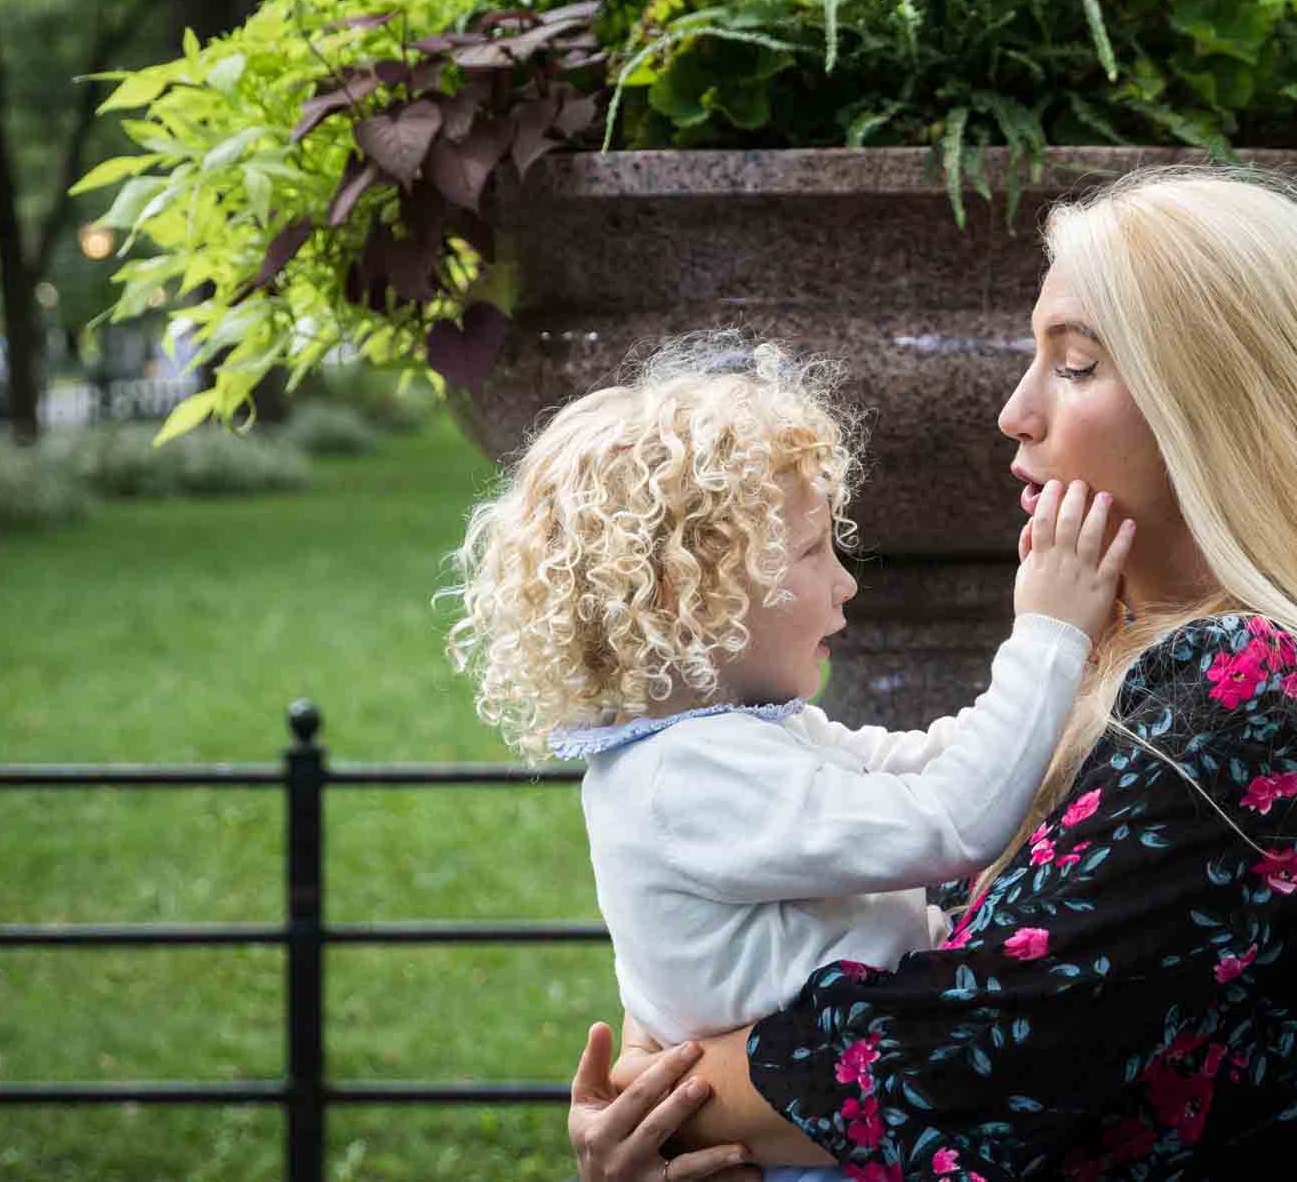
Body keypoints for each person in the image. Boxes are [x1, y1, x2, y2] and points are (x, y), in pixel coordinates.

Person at [567, 168, 1297, 1181]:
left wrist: (663, 1102)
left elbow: (962, 1057)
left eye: (1075, 364)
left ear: (1222, 402)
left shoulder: (1253, 685)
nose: (1015, 412)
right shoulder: (1128, 659)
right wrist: (649, 1113)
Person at [445, 336, 1134, 1182]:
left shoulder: (736, 737)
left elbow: (919, 763)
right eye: (812, 552)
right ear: (685, 590)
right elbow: (952, 819)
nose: (844, 583)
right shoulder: (685, 778)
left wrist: (1080, 680)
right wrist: (1048, 637)